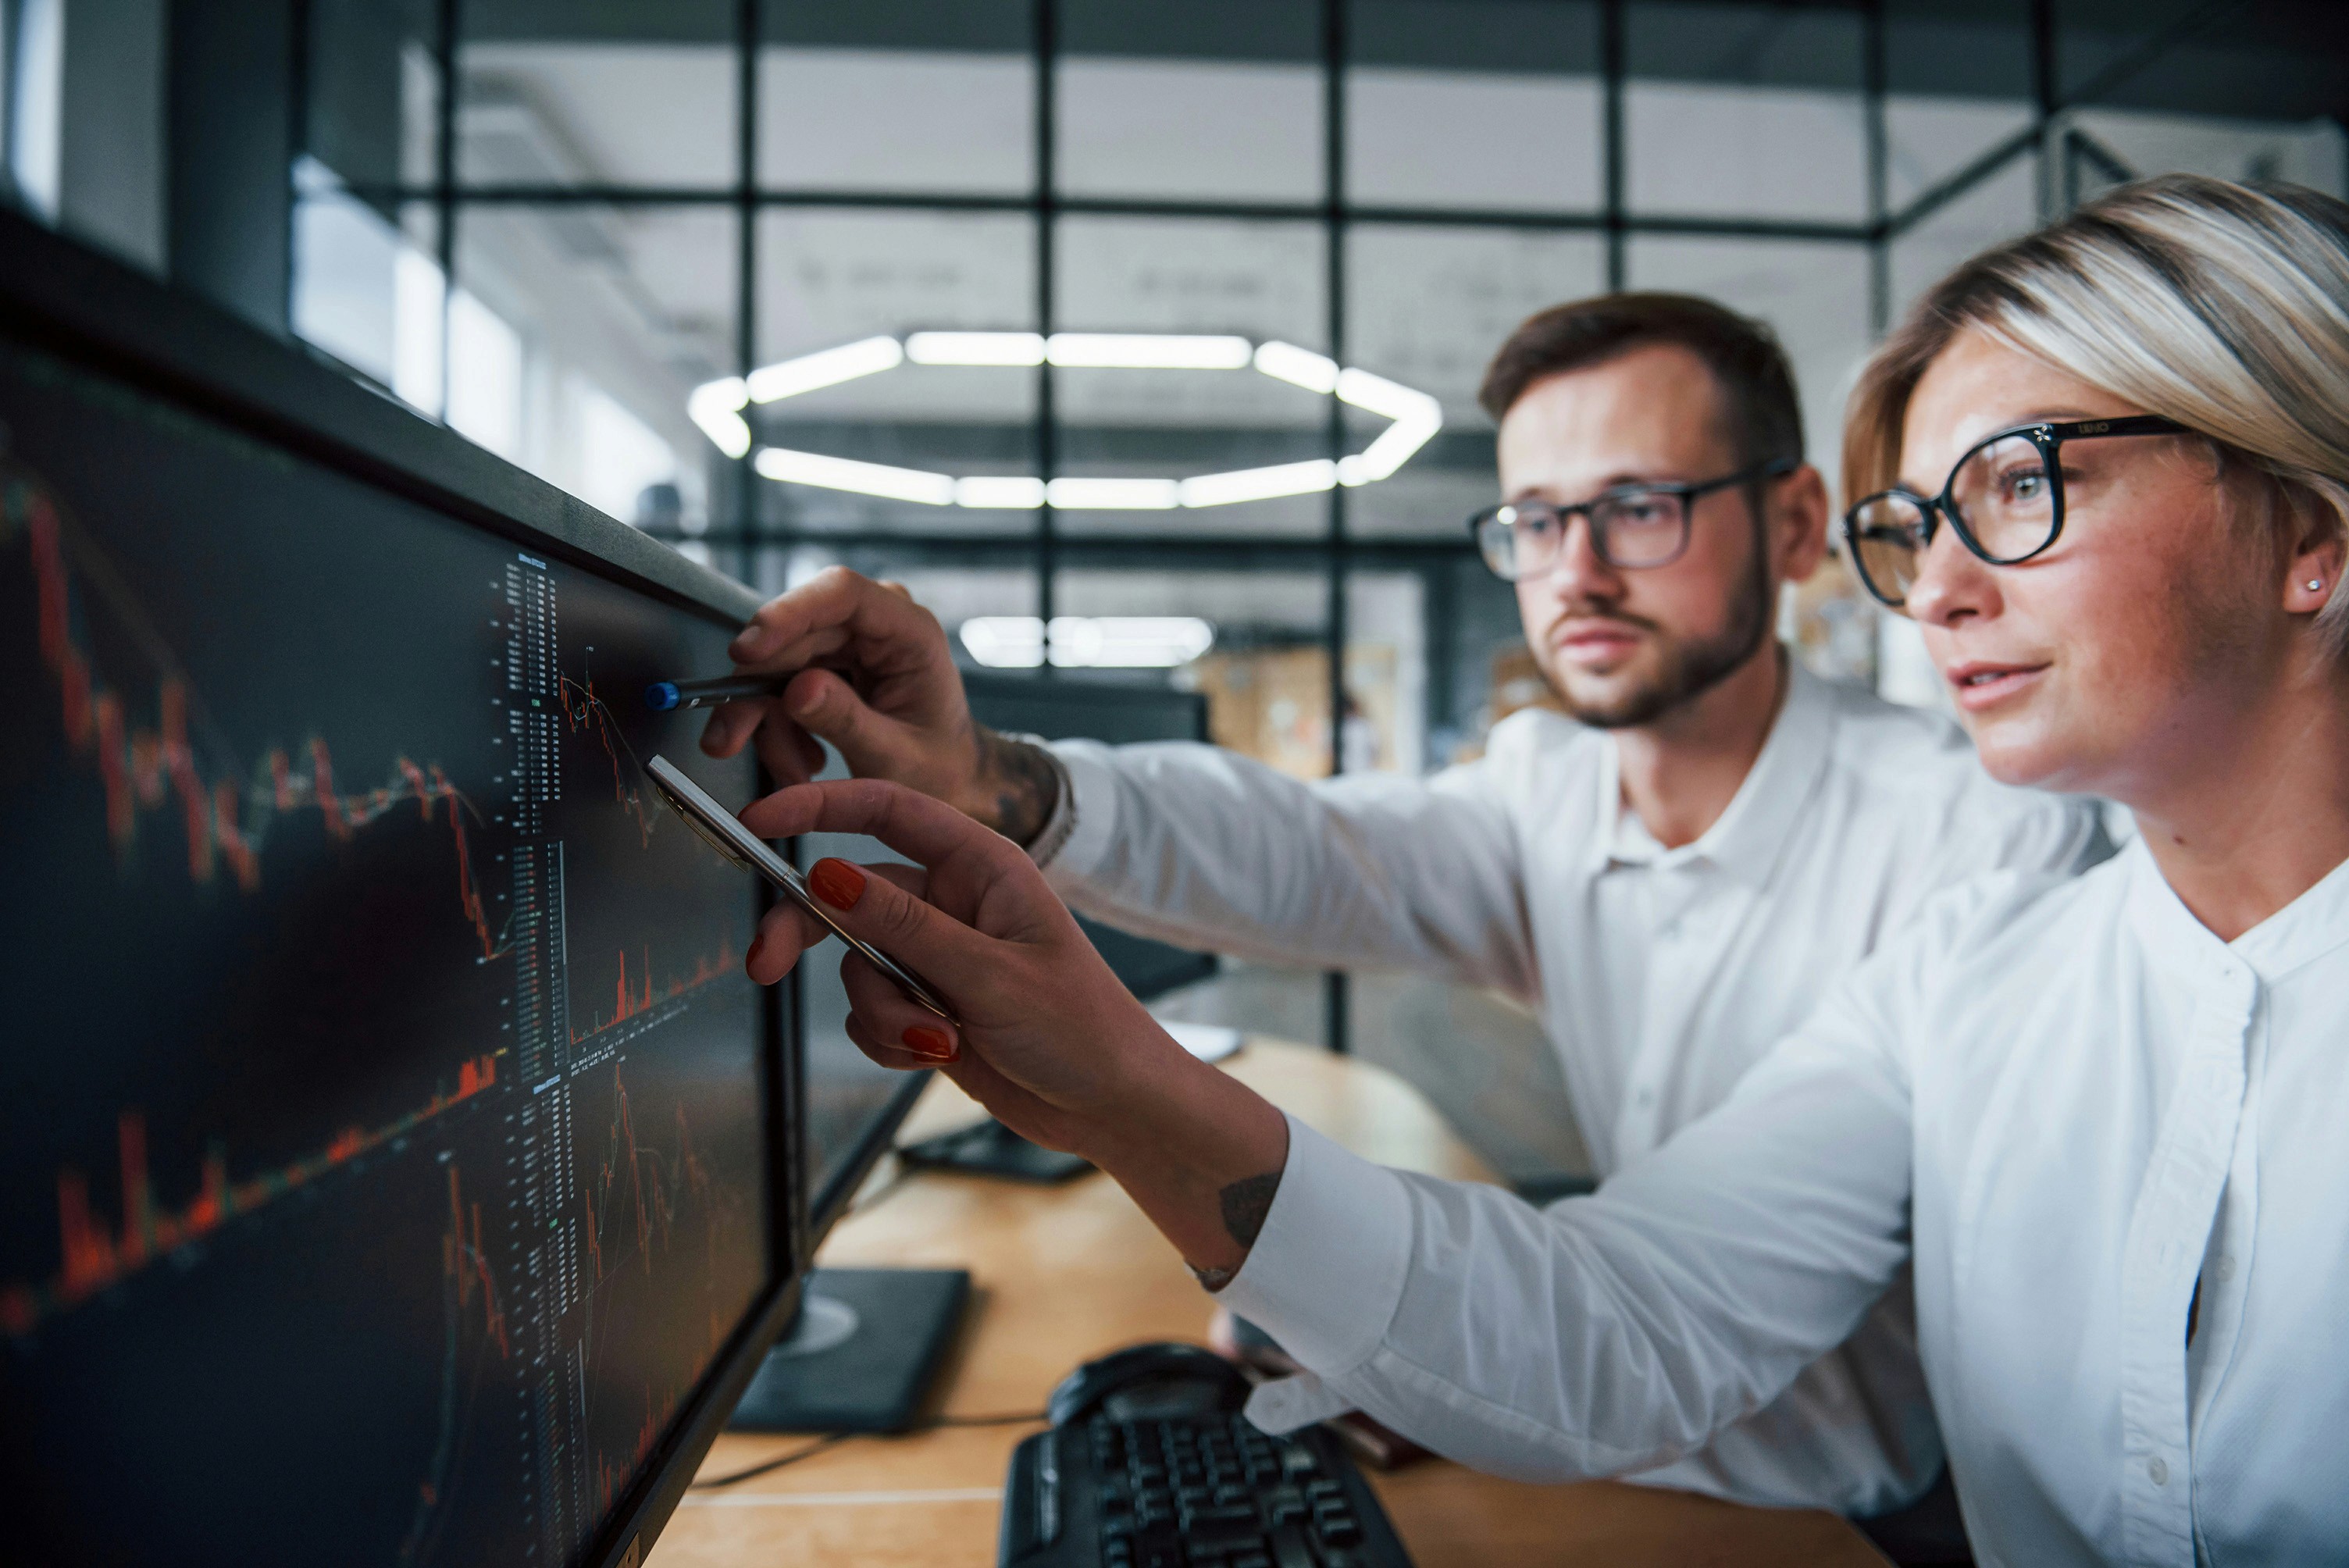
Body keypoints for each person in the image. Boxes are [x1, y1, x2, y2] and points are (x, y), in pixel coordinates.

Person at [738, 174, 2349, 1563]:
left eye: (2018, 485)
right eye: (1530, 520)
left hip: (1841, 1511)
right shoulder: (1977, 959)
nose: (1935, 589)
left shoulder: (1981, 846)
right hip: (1632, 1454)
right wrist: (992, 798)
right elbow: (1321, 855)